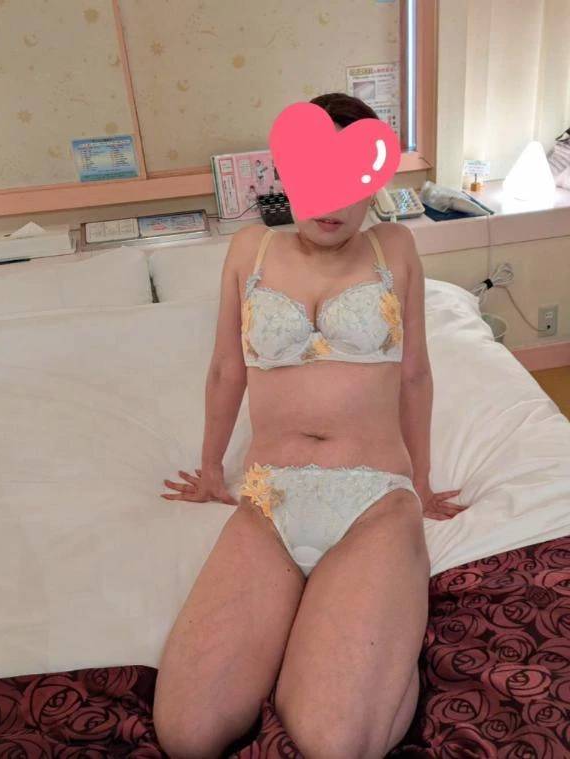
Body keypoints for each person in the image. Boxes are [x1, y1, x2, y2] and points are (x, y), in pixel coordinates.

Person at [153, 92, 468, 759]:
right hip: (270, 499)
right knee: (186, 733)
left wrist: (422, 481)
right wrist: (211, 469)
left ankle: (362, 639)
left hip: (373, 501)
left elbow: (415, 374)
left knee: (334, 739)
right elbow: (226, 370)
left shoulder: (395, 246)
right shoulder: (249, 249)